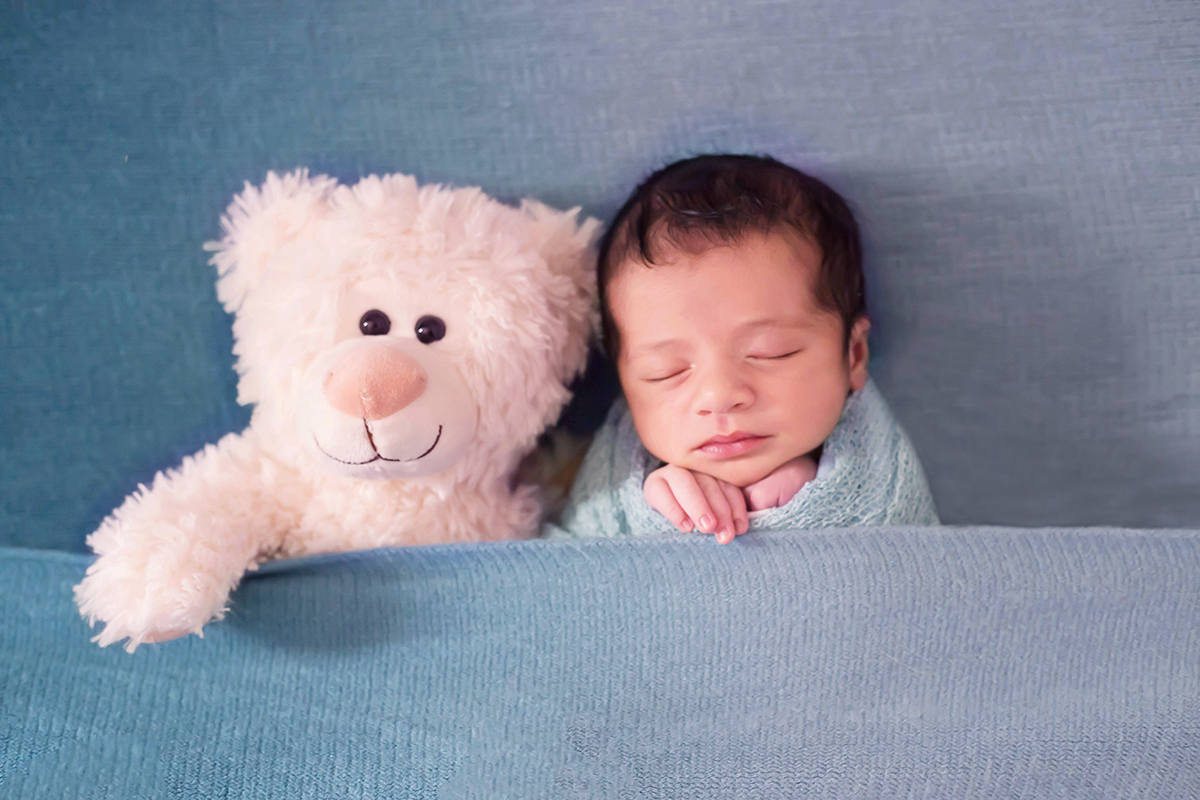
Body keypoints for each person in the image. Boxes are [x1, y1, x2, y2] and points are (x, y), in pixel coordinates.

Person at [549, 154, 939, 543]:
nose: (719, 396)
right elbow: (573, 573)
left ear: (853, 355)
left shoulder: (878, 476)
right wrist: (655, 512)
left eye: (771, 353)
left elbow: (912, 570)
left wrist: (810, 505)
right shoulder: (624, 490)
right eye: (665, 370)